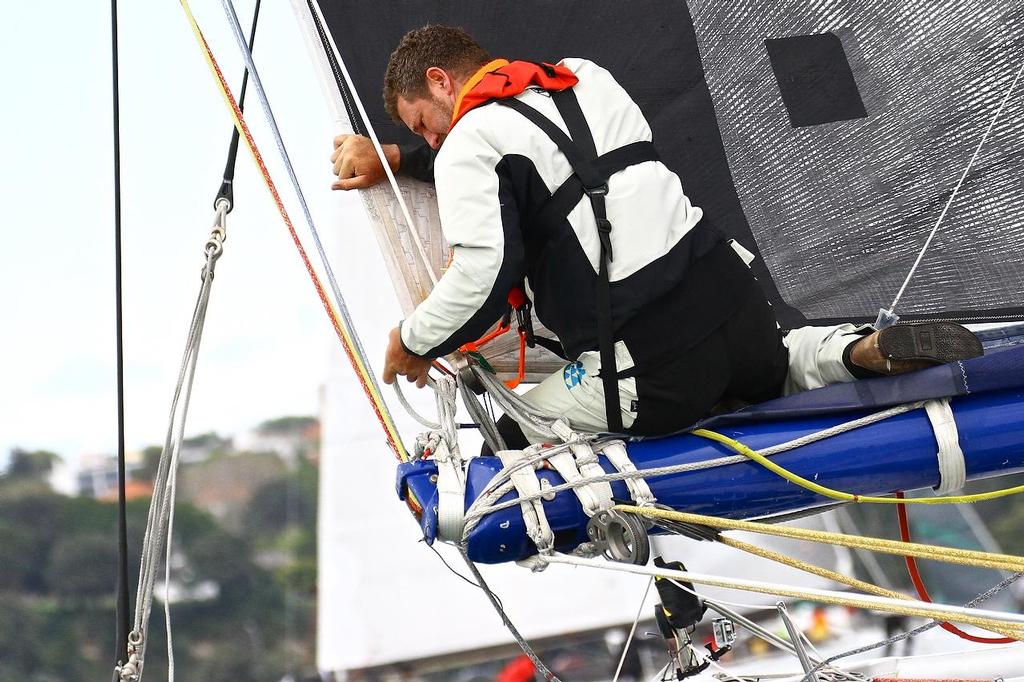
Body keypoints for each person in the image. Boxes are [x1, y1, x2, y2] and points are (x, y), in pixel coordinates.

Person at [330, 25, 982, 446]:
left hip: (652, 365)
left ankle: (684, 515)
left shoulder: (467, 145)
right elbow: (547, 167)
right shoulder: (585, 76)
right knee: (775, 365)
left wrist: (411, 340)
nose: (431, 142)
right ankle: (852, 351)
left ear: (442, 81)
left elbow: (482, 276)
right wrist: (396, 158)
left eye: (423, 124)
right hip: (734, 303)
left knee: (516, 436)